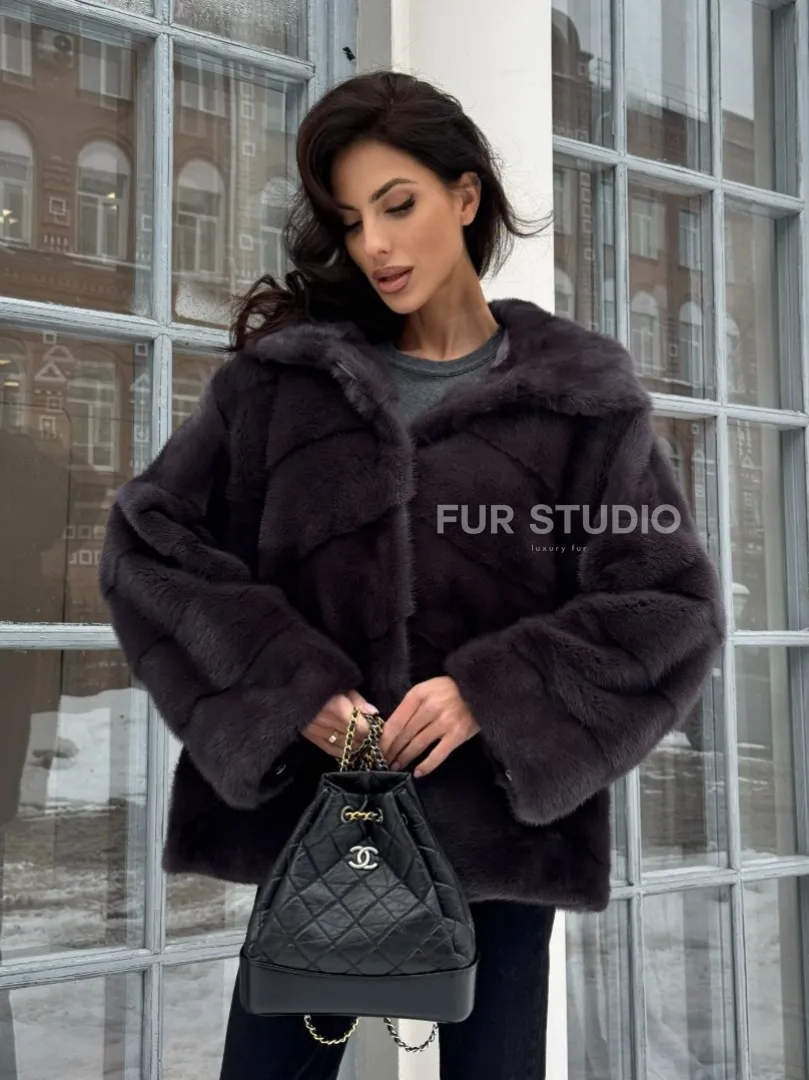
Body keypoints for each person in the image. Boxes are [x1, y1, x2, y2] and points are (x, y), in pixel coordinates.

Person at [99, 70, 725, 1080]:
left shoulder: (578, 401)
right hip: (318, 832)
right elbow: (148, 549)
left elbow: (668, 607)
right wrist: (289, 690)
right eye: (352, 221)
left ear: (464, 196)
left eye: (398, 205)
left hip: (500, 842)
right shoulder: (283, 387)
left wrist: (489, 694)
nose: (375, 246)